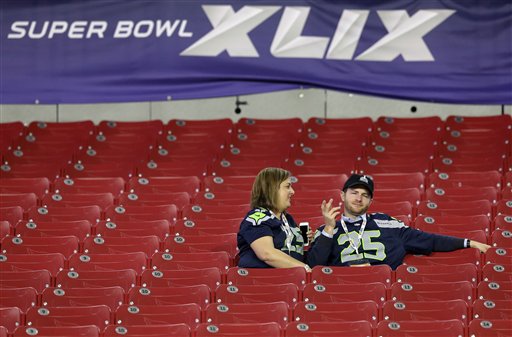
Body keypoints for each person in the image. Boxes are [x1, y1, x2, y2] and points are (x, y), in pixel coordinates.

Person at [307, 173, 491, 269]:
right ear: (342, 195)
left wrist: (469, 242)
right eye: (354, 193)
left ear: (371, 201)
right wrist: (329, 230)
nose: (358, 198)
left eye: (365, 195)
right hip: (339, 290)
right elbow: (315, 266)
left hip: (378, 288)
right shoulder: (326, 229)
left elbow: (429, 240)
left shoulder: (388, 224)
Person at [237, 167, 312, 271]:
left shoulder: (288, 220)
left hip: (291, 281)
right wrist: (305, 269)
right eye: (288, 186)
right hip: (261, 282)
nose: (292, 191)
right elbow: (267, 254)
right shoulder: (257, 218)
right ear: (271, 189)